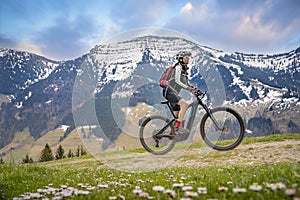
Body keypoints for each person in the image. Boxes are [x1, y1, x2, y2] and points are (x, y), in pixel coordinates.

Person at [162, 51, 198, 133]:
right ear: (181, 59)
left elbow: (185, 84)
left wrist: (194, 89)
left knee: (177, 116)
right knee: (185, 105)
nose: (188, 59)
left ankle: (172, 132)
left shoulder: (184, 71)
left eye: (188, 58)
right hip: (169, 92)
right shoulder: (178, 67)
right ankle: (178, 126)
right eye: (186, 58)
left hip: (174, 93)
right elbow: (178, 81)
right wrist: (189, 88)